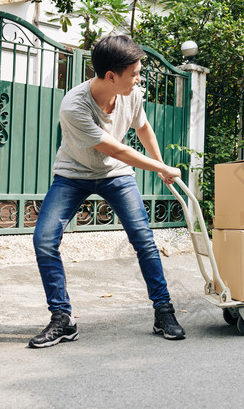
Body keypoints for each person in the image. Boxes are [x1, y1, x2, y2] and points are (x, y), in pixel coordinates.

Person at [29, 35, 185, 348]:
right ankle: (62, 319)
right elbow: (117, 149)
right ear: (111, 76)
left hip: (116, 175)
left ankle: (163, 310)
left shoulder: (132, 93)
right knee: (44, 239)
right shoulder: (74, 106)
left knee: (144, 239)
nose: (139, 79)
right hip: (74, 174)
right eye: (135, 74)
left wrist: (160, 162)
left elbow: (143, 128)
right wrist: (159, 169)